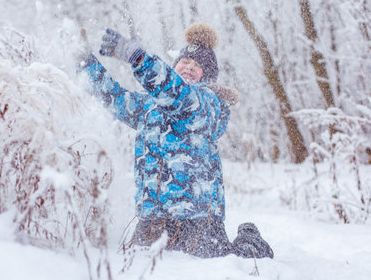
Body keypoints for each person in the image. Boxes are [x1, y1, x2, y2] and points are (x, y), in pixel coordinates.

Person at [79, 22, 273, 259]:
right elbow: (114, 97)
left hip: (198, 220)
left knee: (221, 266)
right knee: (135, 265)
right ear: (174, 66)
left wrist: (139, 59)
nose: (190, 67)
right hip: (151, 219)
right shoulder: (148, 105)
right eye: (185, 62)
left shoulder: (207, 103)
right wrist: (85, 64)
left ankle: (249, 240)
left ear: (208, 75)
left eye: (198, 65)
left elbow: (177, 96)